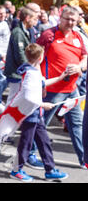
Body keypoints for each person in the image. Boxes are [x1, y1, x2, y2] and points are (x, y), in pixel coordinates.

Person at [36, 6, 87, 168]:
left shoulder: (77, 36)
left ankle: (84, 159)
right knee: (40, 124)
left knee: (77, 125)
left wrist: (80, 67)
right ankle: (28, 154)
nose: (70, 22)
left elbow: (85, 57)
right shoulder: (48, 35)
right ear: (60, 18)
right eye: (67, 19)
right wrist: (40, 83)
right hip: (52, 90)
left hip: (72, 89)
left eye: (74, 19)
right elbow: (35, 59)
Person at [10, 43, 68, 182]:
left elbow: (43, 83)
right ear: (41, 57)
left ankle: (50, 169)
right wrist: (43, 104)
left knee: (44, 142)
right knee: (25, 143)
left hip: (37, 115)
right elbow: (28, 97)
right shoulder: (31, 73)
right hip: (30, 114)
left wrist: (60, 78)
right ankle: (16, 170)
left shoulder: (34, 70)